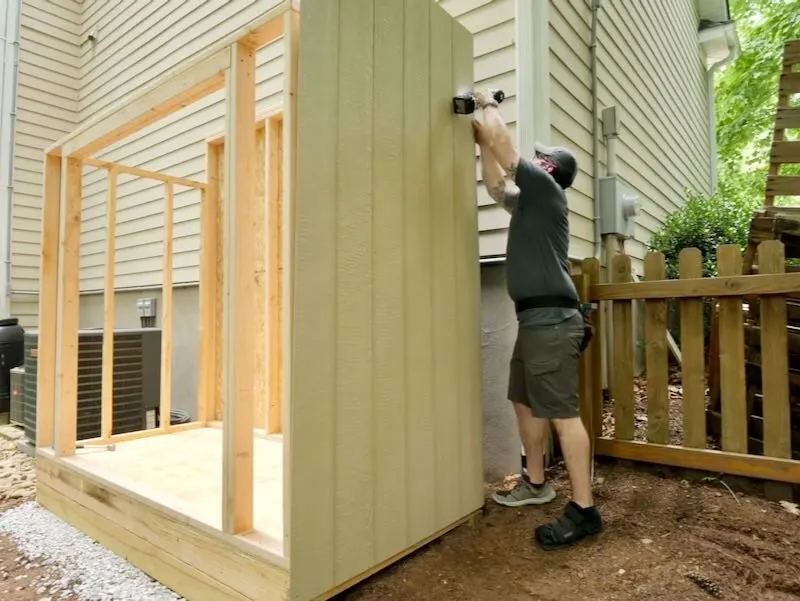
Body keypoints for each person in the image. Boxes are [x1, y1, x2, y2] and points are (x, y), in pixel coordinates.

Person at [471, 89, 603, 550]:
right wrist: (483, 143)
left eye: (542, 159)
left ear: (549, 171)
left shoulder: (545, 191)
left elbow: (505, 150)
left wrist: (486, 103)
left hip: (551, 321)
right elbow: (494, 183)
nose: (536, 161)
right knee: (523, 401)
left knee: (563, 415)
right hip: (533, 322)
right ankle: (535, 481)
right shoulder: (527, 204)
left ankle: (584, 511)